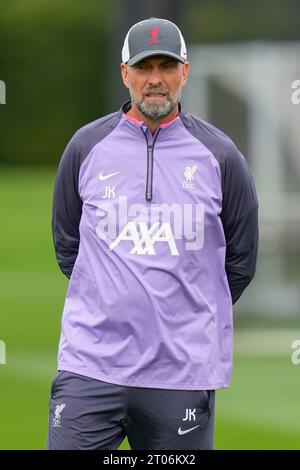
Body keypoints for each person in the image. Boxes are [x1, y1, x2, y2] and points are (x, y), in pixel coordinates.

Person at [46, 17, 259, 450]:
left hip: (180, 374)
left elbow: (240, 261)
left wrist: (187, 309)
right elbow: (69, 245)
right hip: (91, 367)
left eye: (166, 67)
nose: (155, 80)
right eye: (144, 68)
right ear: (125, 73)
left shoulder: (220, 156)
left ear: (185, 71)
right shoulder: (86, 147)